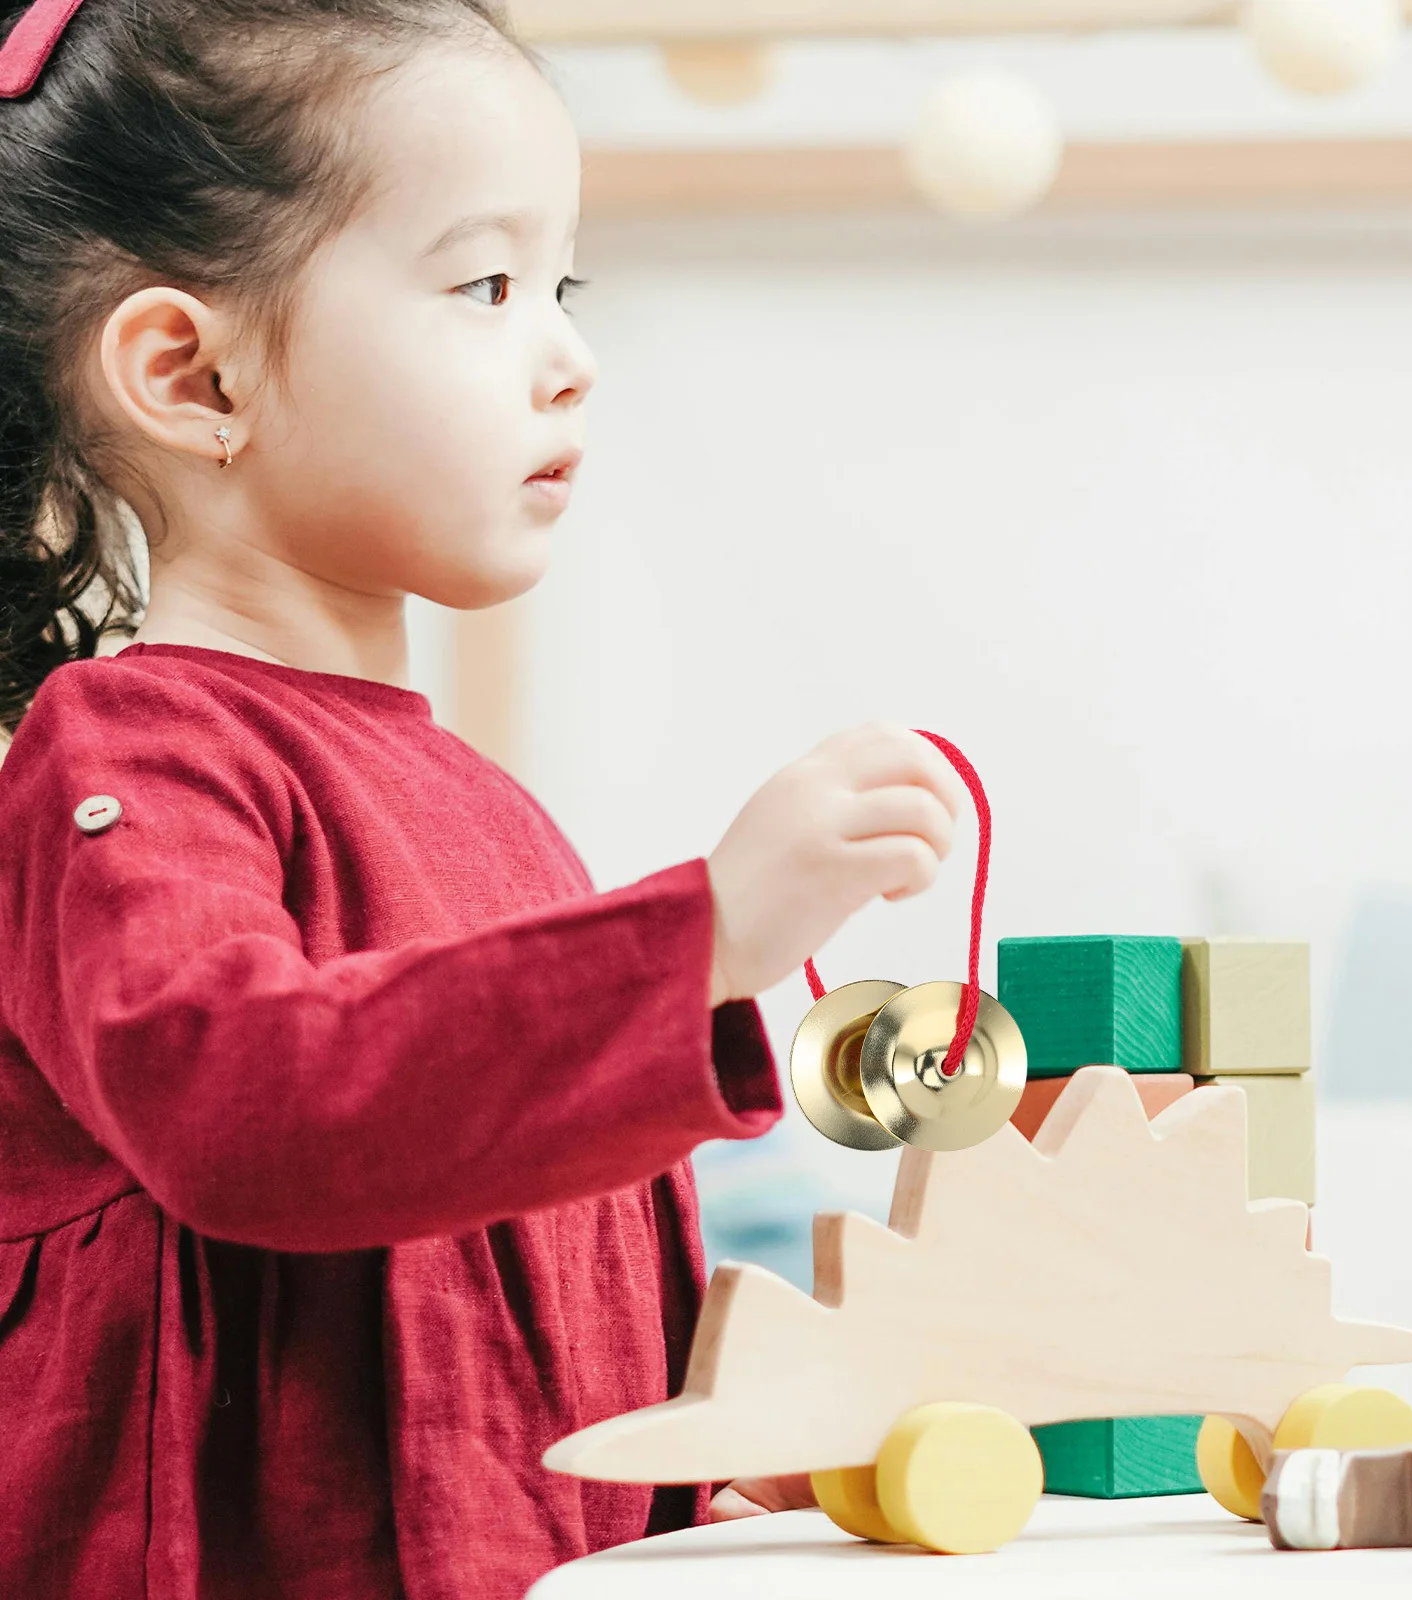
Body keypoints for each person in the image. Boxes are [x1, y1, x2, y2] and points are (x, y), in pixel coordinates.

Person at [0, 0, 965, 1593]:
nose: (571, 358)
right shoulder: (123, 755)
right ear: (192, 373)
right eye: (487, 285)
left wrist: (685, 1475)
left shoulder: (478, 801)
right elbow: (251, 1115)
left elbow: (554, 1262)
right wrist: (707, 931)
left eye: (562, 285)